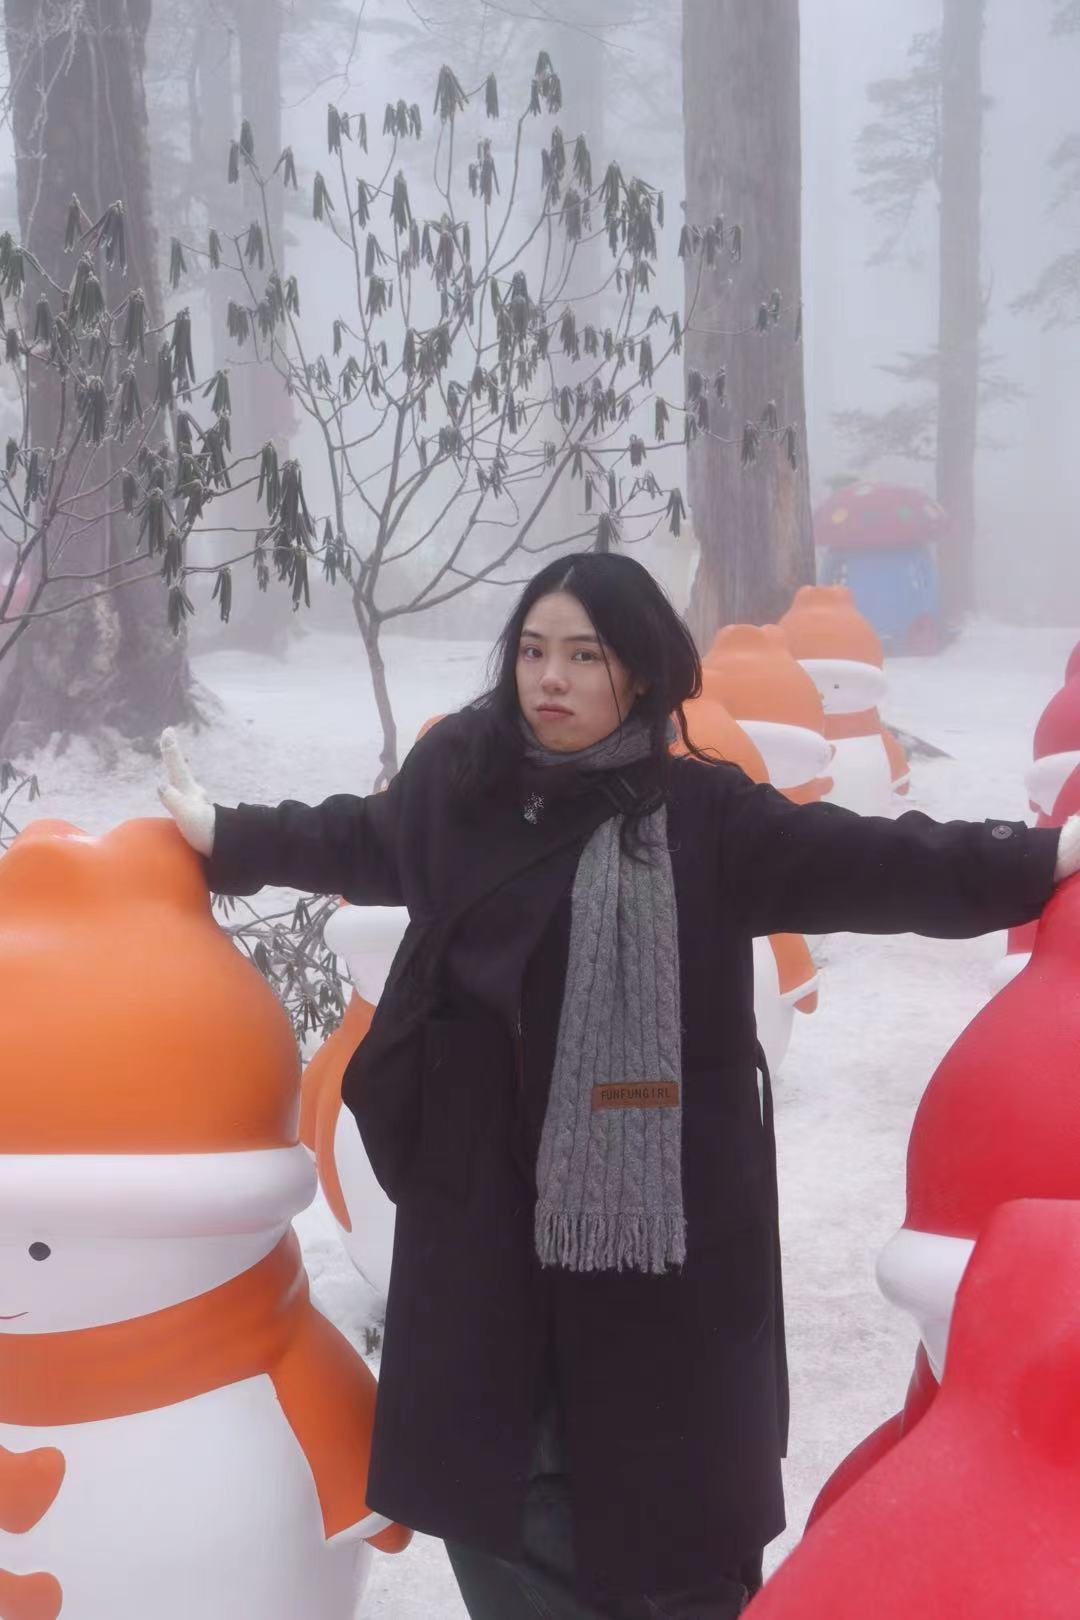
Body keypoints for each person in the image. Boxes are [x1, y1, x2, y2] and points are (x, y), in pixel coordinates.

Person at [158, 553, 1080, 1620]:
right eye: (533, 652)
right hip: (481, 1225)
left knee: (659, 1526)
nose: (550, 678)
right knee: (498, 1501)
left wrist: (1040, 857)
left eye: (583, 656)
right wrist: (228, 836)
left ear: (638, 672)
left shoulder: (705, 818)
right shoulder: (460, 788)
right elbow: (359, 840)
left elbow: (872, 860)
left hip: (654, 1235)